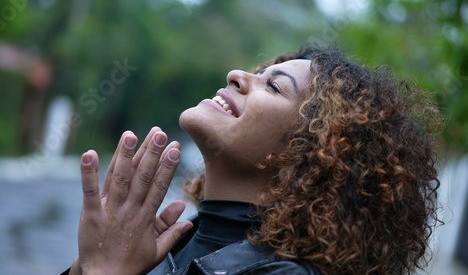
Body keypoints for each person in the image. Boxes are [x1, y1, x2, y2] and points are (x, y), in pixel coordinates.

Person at [61, 46, 443, 275]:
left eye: (273, 86)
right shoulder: (174, 240)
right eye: (260, 73)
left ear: (310, 154)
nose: (237, 75)